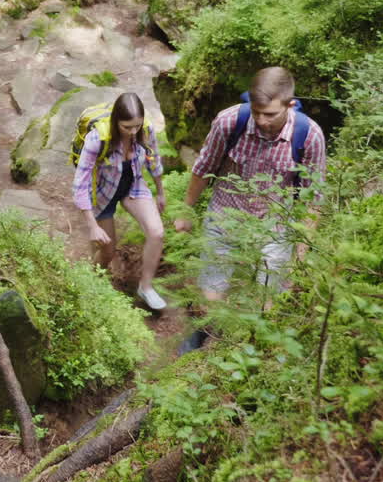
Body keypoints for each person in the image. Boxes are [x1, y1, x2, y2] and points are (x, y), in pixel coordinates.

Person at [173, 67, 327, 306]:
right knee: (211, 295)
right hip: (224, 217)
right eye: (256, 112)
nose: (261, 121)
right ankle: (206, 335)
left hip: (275, 226)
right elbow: (203, 169)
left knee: (268, 299)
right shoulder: (230, 122)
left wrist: (300, 253)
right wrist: (186, 212)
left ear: (290, 104)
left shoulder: (309, 135)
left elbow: (312, 199)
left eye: (270, 114)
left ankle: (249, 340)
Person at [72, 92, 168, 310]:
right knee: (107, 250)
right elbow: (80, 184)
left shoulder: (145, 129)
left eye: (137, 126)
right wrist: (92, 225)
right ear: (116, 122)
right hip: (101, 192)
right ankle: (90, 284)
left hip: (132, 184)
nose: (133, 132)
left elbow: (154, 158)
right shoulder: (97, 139)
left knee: (157, 232)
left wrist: (160, 191)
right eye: (127, 127)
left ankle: (146, 287)